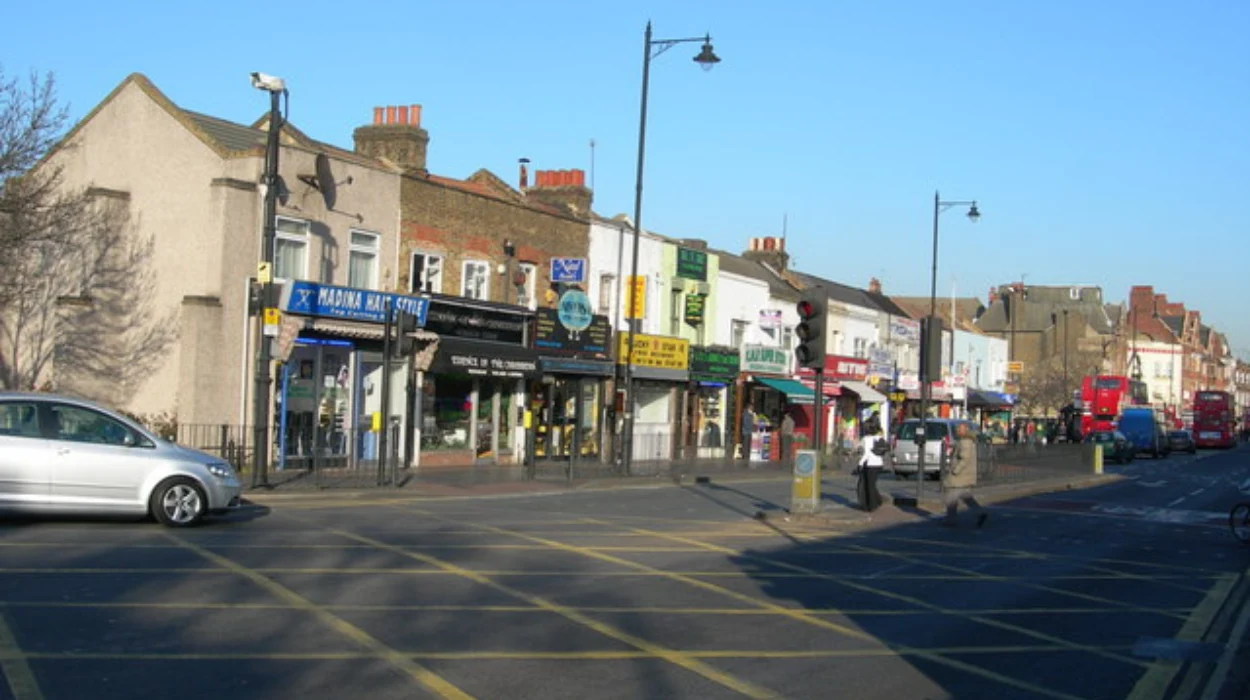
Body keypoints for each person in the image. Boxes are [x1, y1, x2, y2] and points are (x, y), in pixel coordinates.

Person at [942, 422, 988, 528]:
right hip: (965, 474)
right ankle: (979, 512)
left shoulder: (965, 442)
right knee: (965, 496)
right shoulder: (967, 441)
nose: (957, 430)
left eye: (959, 429)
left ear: (965, 430)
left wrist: (955, 470)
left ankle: (951, 519)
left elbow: (965, 458)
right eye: (957, 428)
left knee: (951, 498)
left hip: (961, 475)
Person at [857, 422, 886, 511]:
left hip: (870, 464)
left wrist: (860, 463)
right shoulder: (880, 438)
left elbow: (866, 453)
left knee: (869, 485)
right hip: (879, 464)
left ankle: (872, 505)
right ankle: (877, 501)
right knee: (872, 484)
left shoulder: (866, 439)